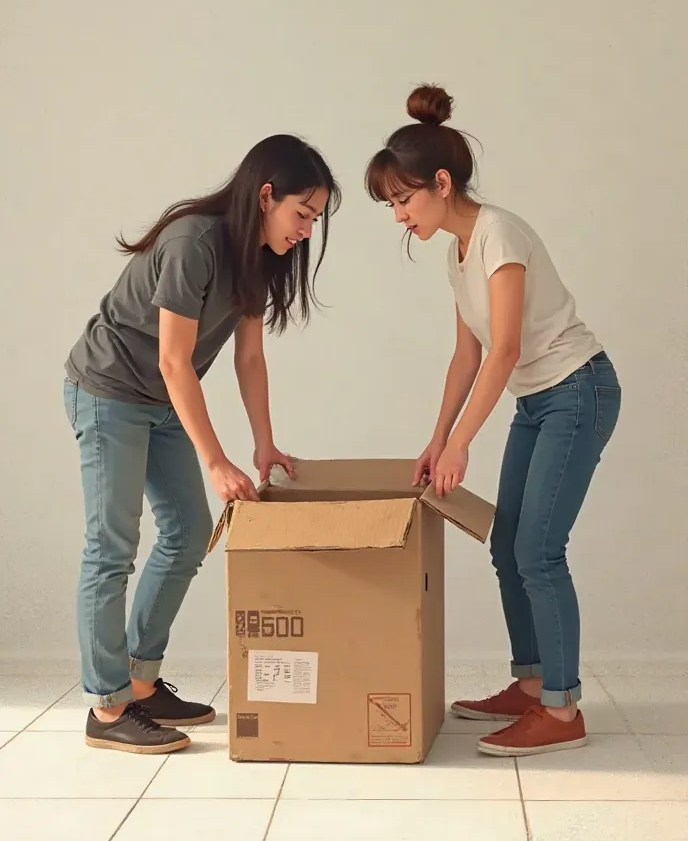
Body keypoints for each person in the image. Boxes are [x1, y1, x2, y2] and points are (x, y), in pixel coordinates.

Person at [365, 85, 621, 757]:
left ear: (441, 184)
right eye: (391, 204)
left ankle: (562, 713)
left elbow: (505, 348)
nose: (398, 216)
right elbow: (466, 354)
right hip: (537, 401)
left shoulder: (499, 233)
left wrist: (462, 444)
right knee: (507, 545)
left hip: (578, 389)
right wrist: (436, 437)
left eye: (403, 199)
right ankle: (533, 685)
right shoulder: (455, 252)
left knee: (538, 550)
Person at [63, 134, 340, 755]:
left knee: (189, 533)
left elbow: (249, 357)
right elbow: (173, 359)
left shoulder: (256, 255)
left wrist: (263, 445)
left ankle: (140, 679)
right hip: (110, 392)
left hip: (160, 402)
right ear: (266, 195)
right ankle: (107, 709)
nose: (305, 230)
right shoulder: (194, 241)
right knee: (111, 547)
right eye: (302, 213)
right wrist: (215, 459)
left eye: (315, 219)